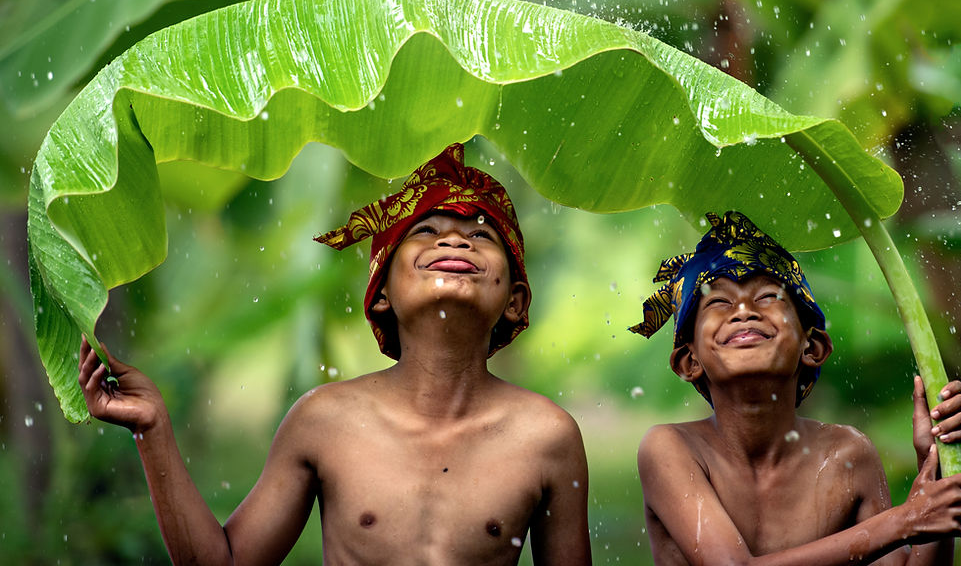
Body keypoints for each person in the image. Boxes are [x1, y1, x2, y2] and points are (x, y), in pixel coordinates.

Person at [79, 143, 592, 566]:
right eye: (425, 231)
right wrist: (151, 428)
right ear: (381, 291)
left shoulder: (545, 436)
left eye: (482, 234)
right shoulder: (325, 421)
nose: (456, 238)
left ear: (516, 300)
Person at [628, 211, 961, 566]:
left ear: (812, 347)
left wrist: (936, 466)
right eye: (718, 301)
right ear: (688, 362)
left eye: (768, 296)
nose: (743, 311)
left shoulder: (848, 454)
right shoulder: (670, 449)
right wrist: (907, 519)